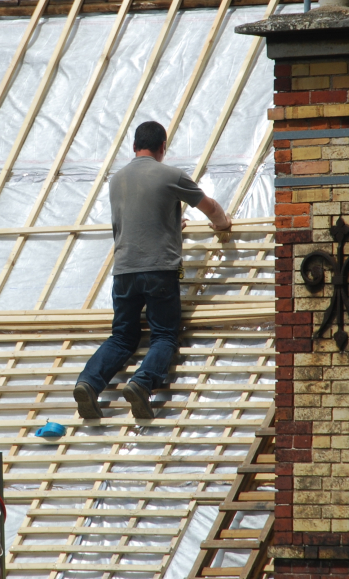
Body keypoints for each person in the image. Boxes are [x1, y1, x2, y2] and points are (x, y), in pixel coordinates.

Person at [74, 120, 232, 420]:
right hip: (159, 270)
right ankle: (141, 384)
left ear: (134, 147)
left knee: (121, 337)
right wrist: (223, 225)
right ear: (163, 148)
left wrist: (171, 226)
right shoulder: (170, 175)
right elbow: (210, 207)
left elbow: (135, 221)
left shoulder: (116, 180)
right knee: (164, 336)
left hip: (123, 271)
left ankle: (88, 384)